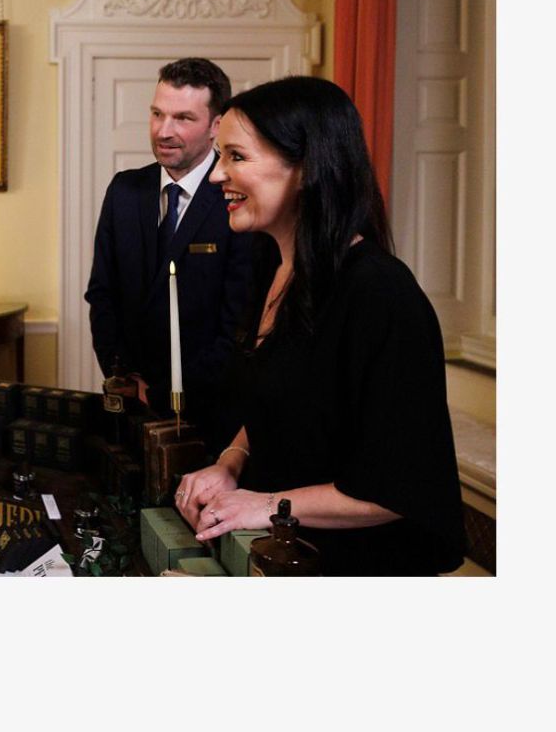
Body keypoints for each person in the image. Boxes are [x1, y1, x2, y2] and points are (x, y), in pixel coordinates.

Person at [175, 76, 466, 575]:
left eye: (236, 157)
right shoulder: (270, 268)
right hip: (276, 557)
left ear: (307, 167)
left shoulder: (380, 293)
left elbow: (399, 487)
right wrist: (230, 462)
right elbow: (280, 404)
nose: (217, 175)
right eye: (220, 156)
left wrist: (267, 504)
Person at [85, 58, 253, 450]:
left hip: (211, 419)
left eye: (182, 118)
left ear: (216, 126)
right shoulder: (125, 191)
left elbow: (238, 326)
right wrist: (123, 377)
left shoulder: (238, 199)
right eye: (157, 114)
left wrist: (162, 393)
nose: (164, 131)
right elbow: (102, 294)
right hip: (128, 408)